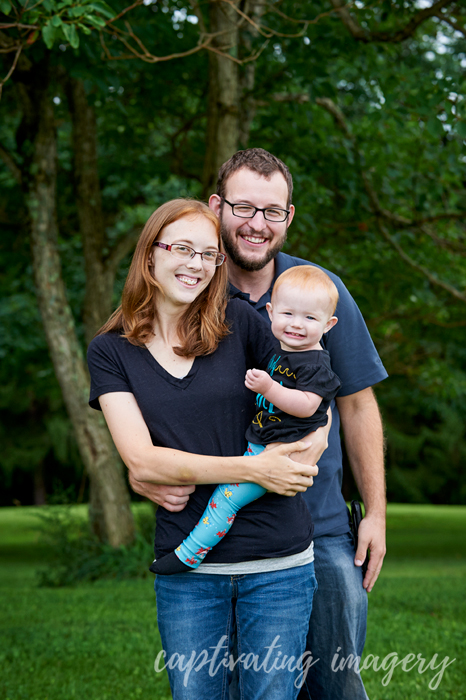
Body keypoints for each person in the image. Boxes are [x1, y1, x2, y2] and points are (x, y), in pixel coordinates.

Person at [130, 149, 388, 700]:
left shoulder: (317, 293)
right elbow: (149, 400)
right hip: (219, 530)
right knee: (222, 684)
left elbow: (358, 404)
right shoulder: (187, 294)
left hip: (319, 526)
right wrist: (139, 472)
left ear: (289, 217)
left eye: (272, 211)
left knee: (336, 684)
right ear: (216, 206)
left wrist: (378, 514)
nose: (256, 224)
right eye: (244, 207)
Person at [87, 198, 322, 700]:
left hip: (278, 563)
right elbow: (142, 458)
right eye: (181, 248)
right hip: (188, 570)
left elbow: (312, 399)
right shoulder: (110, 351)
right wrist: (256, 469)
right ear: (150, 254)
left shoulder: (241, 320)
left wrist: (311, 444)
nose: (195, 264)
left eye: (208, 254)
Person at [151, 265, 341, 575]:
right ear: (270, 311)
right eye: (288, 314)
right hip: (261, 445)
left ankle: (189, 553)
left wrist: (269, 388)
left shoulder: (315, 364)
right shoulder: (286, 350)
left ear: (328, 324)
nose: (296, 325)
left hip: (276, 455)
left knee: (225, 500)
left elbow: (308, 406)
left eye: (310, 318)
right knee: (225, 496)